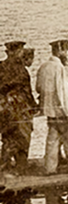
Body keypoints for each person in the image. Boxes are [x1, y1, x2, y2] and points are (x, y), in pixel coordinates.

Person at [35, 39, 68, 174]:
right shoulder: (59, 67)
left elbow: (38, 88)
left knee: (52, 140)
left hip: (49, 110)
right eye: (65, 51)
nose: (66, 54)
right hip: (62, 110)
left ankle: (50, 168)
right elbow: (62, 91)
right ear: (60, 51)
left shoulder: (43, 66)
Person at [0, 41, 37, 173]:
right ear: (16, 52)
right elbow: (27, 91)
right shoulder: (21, 70)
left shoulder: (1, 66)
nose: (22, 53)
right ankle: (21, 167)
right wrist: (34, 106)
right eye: (21, 51)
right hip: (19, 109)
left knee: (7, 137)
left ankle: (4, 165)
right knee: (23, 137)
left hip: (3, 108)